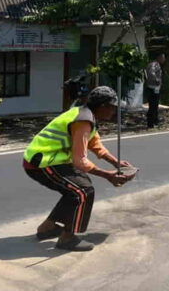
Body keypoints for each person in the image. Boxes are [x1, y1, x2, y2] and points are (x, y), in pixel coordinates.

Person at [23, 87, 136, 251]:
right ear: (103, 106)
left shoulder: (87, 115)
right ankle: (67, 238)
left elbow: (95, 144)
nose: (114, 111)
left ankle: (47, 228)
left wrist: (115, 162)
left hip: (52, 160)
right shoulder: (83, 121)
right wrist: (107, 175)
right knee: (83, 190)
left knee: (76, 187)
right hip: (41, 163)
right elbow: (80, 161)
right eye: (113, 107)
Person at [145, 52, 166, 128]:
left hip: (155, 88)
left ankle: (155, 121)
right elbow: (151, 73)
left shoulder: (157, 65)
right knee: (152, 106)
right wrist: (157, 80)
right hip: (152, 88)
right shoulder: (154, 64)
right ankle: (150, 123)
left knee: (155, 106)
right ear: (159, 57)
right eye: (163, 57)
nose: (164, 59)